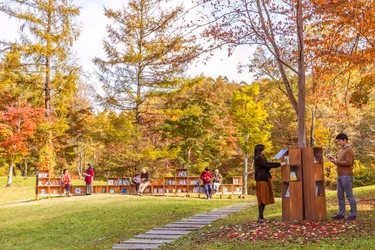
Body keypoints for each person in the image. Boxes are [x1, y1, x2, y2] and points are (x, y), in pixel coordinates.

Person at [254, 144, 286, 223]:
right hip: (261, 180)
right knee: (262, 198)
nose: (264, 150)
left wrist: (269, 163)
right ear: (260, 150)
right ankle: (260, 217)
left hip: (265, 179)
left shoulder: (262, 157)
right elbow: (266, 165)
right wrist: (279, 164)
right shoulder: (258, 158)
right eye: (263, 149)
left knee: (264, 198)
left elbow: (266, 166)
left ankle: (260, 217)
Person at [329, 133, 357, 221]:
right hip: (340, 175)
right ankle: (341, 214)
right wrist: (334, 161)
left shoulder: (349, 150)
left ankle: (353, 214)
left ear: (345, 140)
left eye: (340, 141)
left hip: (346, 176)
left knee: (349, 195)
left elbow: (349, 163)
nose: (338, 143)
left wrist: (337, 162)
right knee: (340, 195)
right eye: (338, 141)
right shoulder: (341, 150)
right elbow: (339, 162)